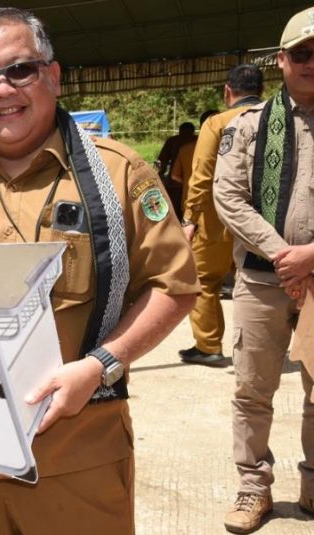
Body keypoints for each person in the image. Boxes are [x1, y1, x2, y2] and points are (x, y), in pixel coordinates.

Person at [0, 8, 198, 533]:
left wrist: (101, 365)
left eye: (21, 70)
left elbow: (173, 287)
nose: (2, 90)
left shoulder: (118, 173)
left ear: (53, 76)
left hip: (78, 456)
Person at [214, 9, 314, 533]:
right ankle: (254, 489)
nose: (311, 63)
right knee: (253, 390)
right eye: (302, 53)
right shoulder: (249, 126)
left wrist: (310, 256)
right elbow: (228, 197)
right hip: (261, 279)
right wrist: (285, 254)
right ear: (281, 60)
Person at [179, 65, 264, 368]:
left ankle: (209, 346)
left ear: (228, 92)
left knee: (204, 281)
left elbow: (201, 176)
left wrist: (190, 219)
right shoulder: (276, 118)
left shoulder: (216, 123)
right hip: (264, 221)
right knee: (259, 284)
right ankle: (256, 350)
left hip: (217, 221)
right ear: (262, 91)